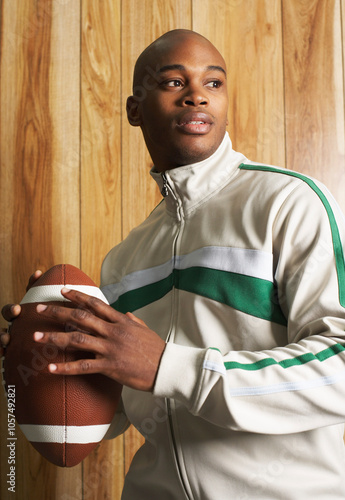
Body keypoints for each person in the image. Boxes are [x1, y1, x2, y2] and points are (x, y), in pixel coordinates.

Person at [2, 29, 345, 499]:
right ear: (134, 109)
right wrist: (45, 361)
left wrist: (172, 366)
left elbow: (339, 368)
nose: (197, 95)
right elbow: (122, 410)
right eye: (172, 83)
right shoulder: (125, 259)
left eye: (214, 83)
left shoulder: (287, 202)